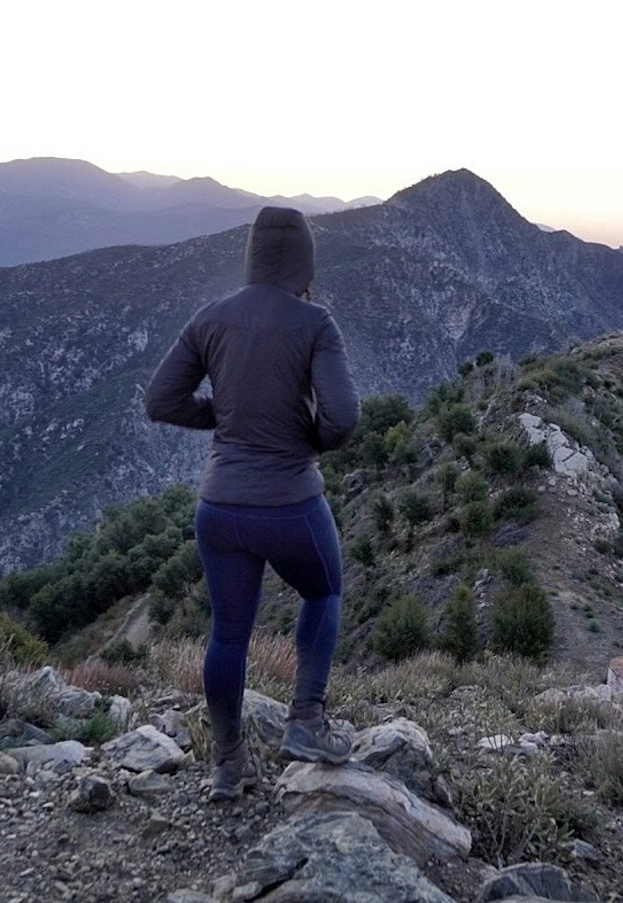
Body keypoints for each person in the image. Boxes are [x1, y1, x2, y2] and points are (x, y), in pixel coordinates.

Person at [144, 206, 360, 802]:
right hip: (290, 503)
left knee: (229, 635)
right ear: (304, 264)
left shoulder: (210, 319)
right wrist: (304, 438)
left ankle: (229, 763)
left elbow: (161, 400)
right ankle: (307, 722)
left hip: (220, 509)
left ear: (252, 258)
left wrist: (221, 415)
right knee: (324, 592)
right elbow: (344, 418)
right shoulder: (316, 322)